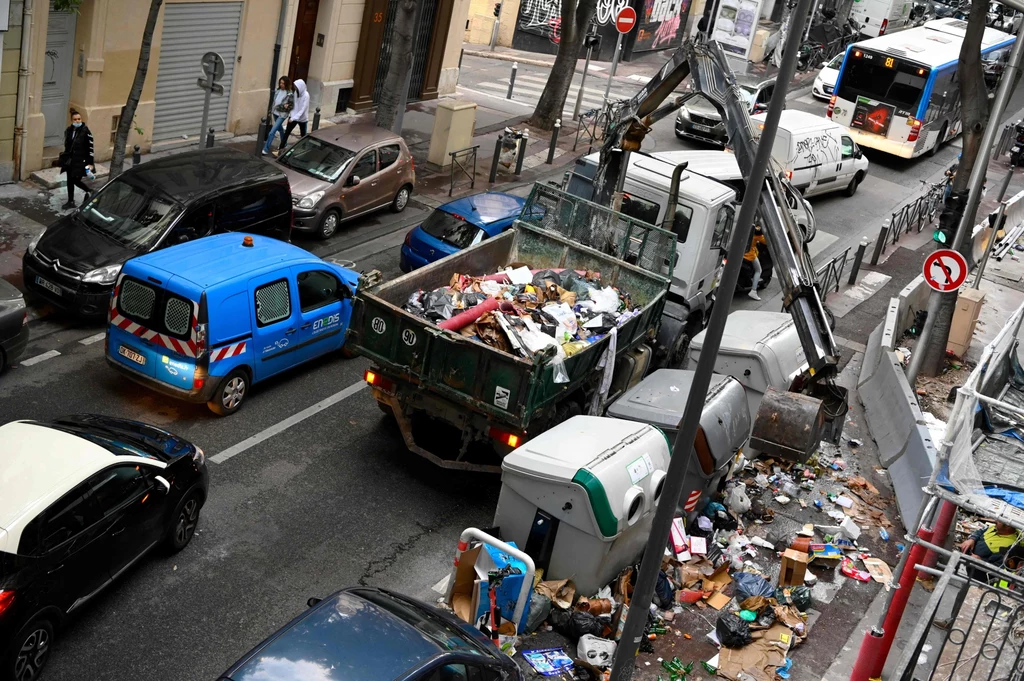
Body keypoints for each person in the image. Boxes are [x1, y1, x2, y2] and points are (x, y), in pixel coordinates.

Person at [958, 520, 1023, 579]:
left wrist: (981, 561)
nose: (995, 521)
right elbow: (981, 531)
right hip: (968, 565)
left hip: (978, 576)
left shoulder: (1009, 546)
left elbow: (999, 568)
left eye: (1000, 520)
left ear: (1008, 526)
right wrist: (972, 539)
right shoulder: (996, 528)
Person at [60, 109, 94, 210]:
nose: (78, 121)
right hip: (70, 161)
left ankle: (90, 190)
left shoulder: (85, 131)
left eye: (79, 119)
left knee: (75, 180)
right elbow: (68, 146)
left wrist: (90, 163)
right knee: (70, 181)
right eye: (75, 119)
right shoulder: (69, 131)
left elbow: (90, 148)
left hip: (80, 161)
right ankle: (70, 201)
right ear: (72, 120)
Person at [262, 76, 293, 156]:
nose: (281, 84)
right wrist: (271, 110)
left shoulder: (289, 93)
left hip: (282, 115)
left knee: (272, 132)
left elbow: (291, 106)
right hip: (275, 113)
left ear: (286, 84)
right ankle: (284, 143)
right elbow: (274, 102)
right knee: (280, 129)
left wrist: (287, 106)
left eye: (283, 83)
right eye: (280, 83)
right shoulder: (278, 91)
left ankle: (266, 149)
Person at [279, 78, 309, 152]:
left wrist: (293, 118)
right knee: (287, 133)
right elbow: (294, 104)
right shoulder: (296, 93)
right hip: (294, 116)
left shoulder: (306, 95)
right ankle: (280, 148)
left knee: (303, 135)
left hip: (302, 119)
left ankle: (304, 150)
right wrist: (292, 115)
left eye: (296, 86)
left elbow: (303, 109)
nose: (295, 88)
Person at [743, 225, 767, 301]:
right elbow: (766, 241)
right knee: (758, 270)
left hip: (740, 252)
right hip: (749, 254)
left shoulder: (747, 226)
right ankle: (753, 290)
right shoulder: (757, 234)